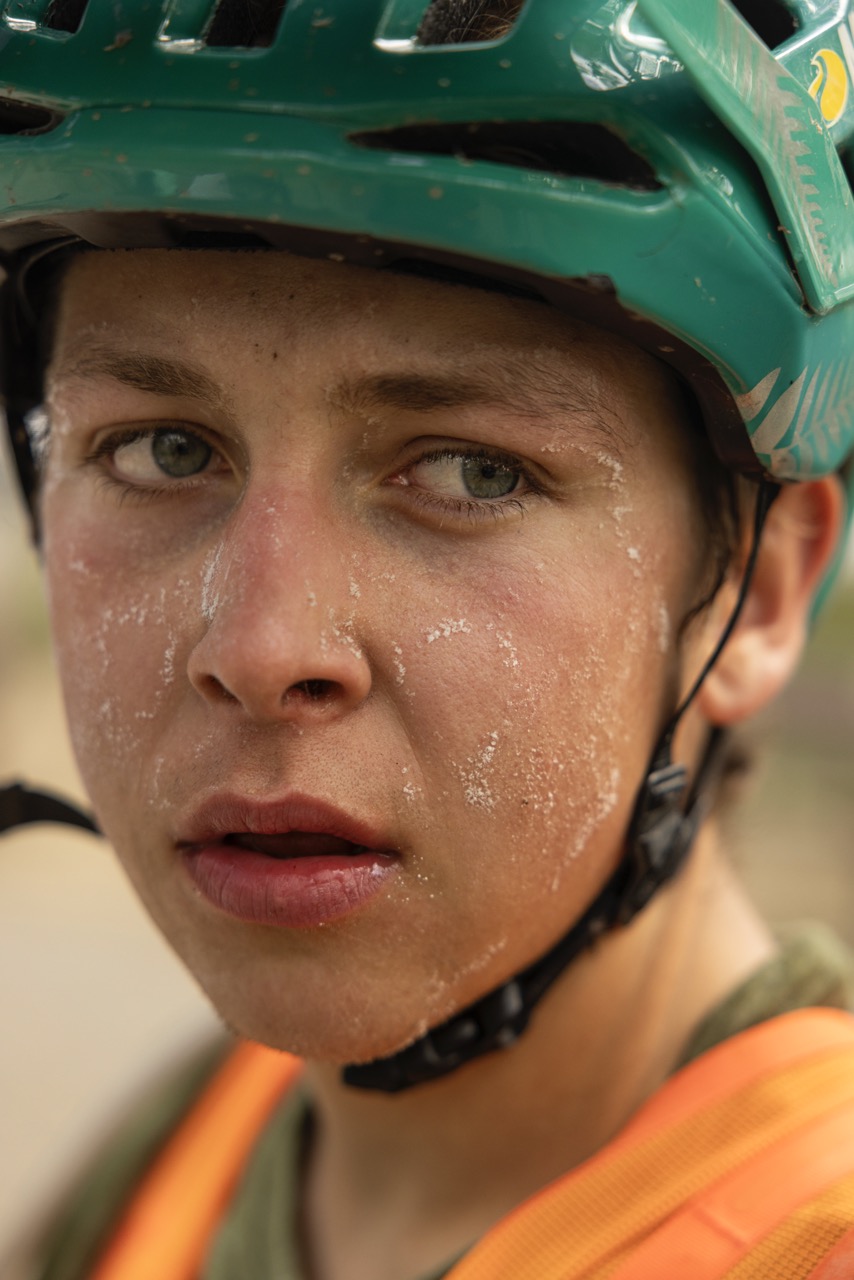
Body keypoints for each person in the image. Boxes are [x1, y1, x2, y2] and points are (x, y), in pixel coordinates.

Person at [3, 0, 854, 1276]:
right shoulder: (186, 1155)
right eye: (161, 449)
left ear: (762, 589)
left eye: (471, 472)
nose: (262, 643)